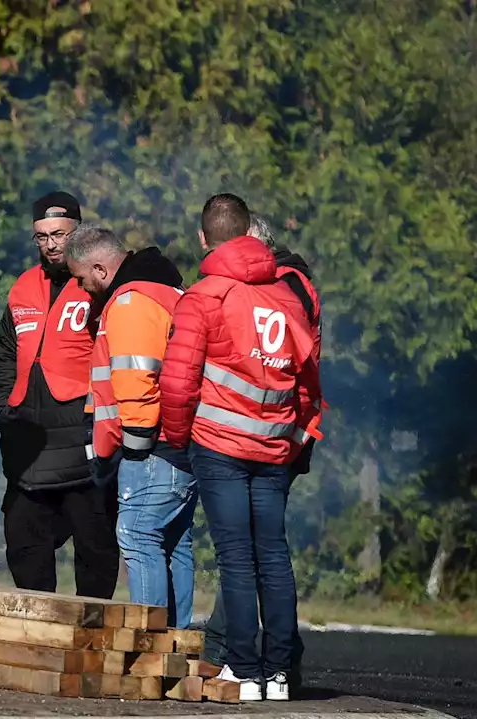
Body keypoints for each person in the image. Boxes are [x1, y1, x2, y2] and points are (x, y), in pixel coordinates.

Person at [161, 194, 323, 702]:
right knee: (273, 555)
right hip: (273, 448)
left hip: (219, 446)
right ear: (252, 235)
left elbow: (179, 382)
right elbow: (306, 380)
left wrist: (178, 437)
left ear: (204, 239)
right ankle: (278, 675)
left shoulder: (204, 296)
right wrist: (294, 438)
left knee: (235, 559)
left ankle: (244, 671)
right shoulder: (287, 297)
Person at [202, 214, 320, 687]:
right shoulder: (293, 286)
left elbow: (298, 364)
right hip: (278, 431)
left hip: (257, 435)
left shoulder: (279, 287)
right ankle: (271, 666)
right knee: (262, 552)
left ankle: (251, 664)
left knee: (247, 553)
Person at [63, 224, 196, 626]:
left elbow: (136, 376)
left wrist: (134, 446)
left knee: (138, 538)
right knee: (175, 545)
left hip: (151, 449)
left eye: (82, 279)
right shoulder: (167, 290)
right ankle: (178, 643)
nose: (83, 289)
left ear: (101, 269)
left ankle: (150, 648)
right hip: (180, 445)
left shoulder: (130, 301)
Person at [0, 192, 118, 597]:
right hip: (29, 437)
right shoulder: (23, 286)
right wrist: (2, 403)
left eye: (59, 234)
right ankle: (40, 632)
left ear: (78, 230)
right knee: (24, 541)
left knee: (94, 543)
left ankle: (93, 637)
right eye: (41, 237)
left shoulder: (97, 282)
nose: (50, 245)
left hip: (82, 432)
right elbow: (6, 351)